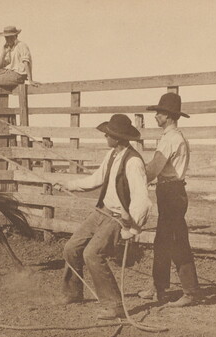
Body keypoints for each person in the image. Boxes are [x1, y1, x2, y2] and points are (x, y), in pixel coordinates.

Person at [56, 114, 151, 320]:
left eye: (108, 133)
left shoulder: (133, 162)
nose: (105, 136)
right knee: (71, 247)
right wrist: (68, 184)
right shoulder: (112, 155)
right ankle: (73, 292)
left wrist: (132, 228)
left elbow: (142, 199)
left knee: (92, 254)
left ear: (117, 138)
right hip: (103, 211)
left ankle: (114, 305)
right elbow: (96, 179)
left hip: (118, 218)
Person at [138, 92, 200, 307]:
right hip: (170, 192)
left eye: (159, 112)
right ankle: (159, 287)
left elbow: (153, 169)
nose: (156, 116)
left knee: (176, 241)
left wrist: (134, 177)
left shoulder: (171, 139)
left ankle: (190, 292)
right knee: (163, 241)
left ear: (169, 116)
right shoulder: (172, 137)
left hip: (171, 193)